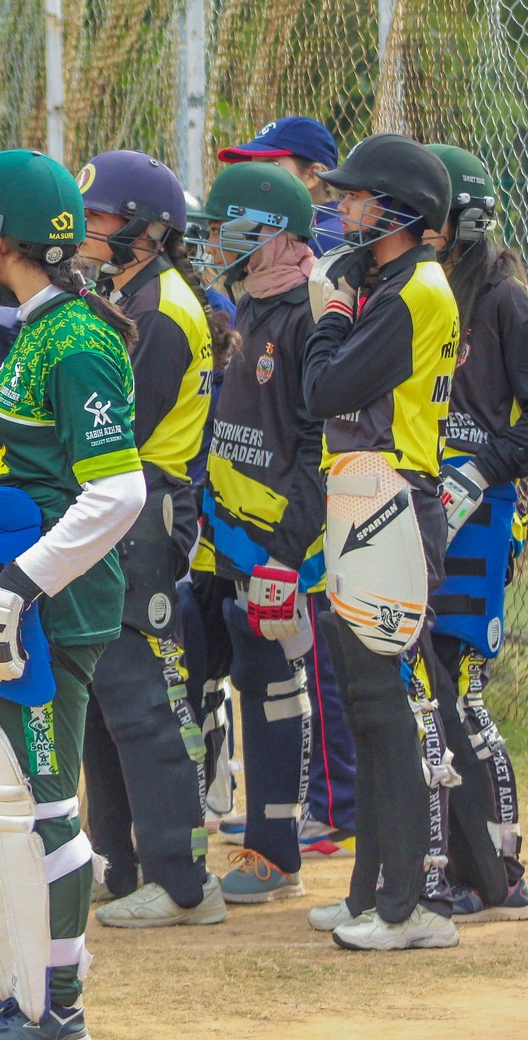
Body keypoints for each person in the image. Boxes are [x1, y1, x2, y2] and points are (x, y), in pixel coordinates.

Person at [0, 148, 145, 1040]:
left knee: (40, 802)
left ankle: (58, 1004)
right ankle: (14, 978)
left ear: (4, 239)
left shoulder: (79, 340)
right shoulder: (33, 328)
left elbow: (117, 492)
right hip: (1, 601)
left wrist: (20, 585)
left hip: (50, 608)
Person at [299, 133, 461, 951]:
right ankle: (371, 890)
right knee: (363, 702)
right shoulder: (391, 280)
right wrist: (350, 292)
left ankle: (409, 904)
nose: (344, 208)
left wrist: (331, 314)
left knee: (384, 704)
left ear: (400, 212)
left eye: (358, 197)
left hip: (394, 503)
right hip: (364, 498)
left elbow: (323, 387)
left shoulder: (415, 291)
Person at [74, 149, 231, 928]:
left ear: (143, 227)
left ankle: (182, 880)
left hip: (145, 509)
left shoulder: (162, 309)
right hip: (119, 503)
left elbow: (121, 426)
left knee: (143, 698)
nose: (82, 227)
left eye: (97, 215)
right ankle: (120, 859)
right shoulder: (127, 294)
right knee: (104, 694)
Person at [422, 143, 528, 922]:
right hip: (420, 508)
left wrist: (481, 469)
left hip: (479, 516)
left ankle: (502, 868)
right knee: (427, 687)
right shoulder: (421, 292)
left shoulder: (506, 300)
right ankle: (447, 858)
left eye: (428, 214)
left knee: (463, 684)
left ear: (464, 222)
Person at [190, 162, 325, 902]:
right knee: (229, 666)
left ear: (269, 232)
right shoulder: (251, 301)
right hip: (228, 534)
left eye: (227, 227)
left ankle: (277, 853)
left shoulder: (308, 312)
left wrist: (285, 555)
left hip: (278, 545)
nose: (216, 241)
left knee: (276, 687)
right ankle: (237, 815)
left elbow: (316, 446)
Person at [219, 116, 345, 255]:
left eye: (272, 166)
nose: (256, 177)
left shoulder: (326, 240)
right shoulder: (285, 231)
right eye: (253, 167)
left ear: (312, 176)